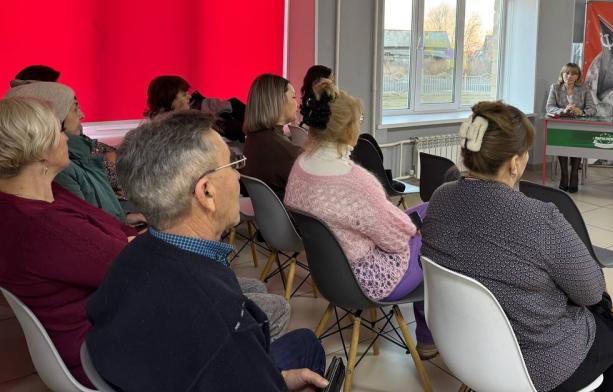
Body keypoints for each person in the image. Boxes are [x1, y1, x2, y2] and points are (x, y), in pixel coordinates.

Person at [86, 111, 326, 392]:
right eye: (233, 164)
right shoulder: (223, 320)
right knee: (308, 346)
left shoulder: (132, 254)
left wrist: (278, 378)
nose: (238, 175)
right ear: (206, 192)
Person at [422, 102, 613, 392]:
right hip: (536, 367)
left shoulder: (440, 198)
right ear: (515, 163)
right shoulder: (537, 218)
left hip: (461, 351)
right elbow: (590, 292)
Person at [284, 79, 436, 358]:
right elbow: (395, 241)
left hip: (329, 273)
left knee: (427, 209)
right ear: (348, 129)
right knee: (436, 230)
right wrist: (412, 227)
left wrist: (400, 220)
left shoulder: (300, 167)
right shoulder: (355, 182)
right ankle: (428, 338)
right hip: (371, 279)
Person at [0, 97, 138, 387]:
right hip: (103, 354)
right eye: (59, 131)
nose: (66, 138)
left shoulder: (40, 197)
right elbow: (135, 267)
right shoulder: (41, 226)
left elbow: (118, 231)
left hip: (107, 332)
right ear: (40, 150)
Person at [4, 82, 137, 224]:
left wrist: (126, 219)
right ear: (54, 120)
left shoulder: (81, 153)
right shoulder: (61, 166)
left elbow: (102, 212)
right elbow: (85, 224)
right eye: (75, 108)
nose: (82, 115)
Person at [240, 74, 302, 202]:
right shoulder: (283, 150)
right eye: (293, 97)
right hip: (291, 212)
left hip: (265, 213)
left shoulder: (254, 139)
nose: (298, 104)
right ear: (278, 101)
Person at [545, 63, 597, 193]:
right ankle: (564, 174)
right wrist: (563, 110)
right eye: (567, 73)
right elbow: (549, 107)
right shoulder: (555, 88)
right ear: (562, 74)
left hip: (579, 127)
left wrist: (581, 112)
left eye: (573, 74)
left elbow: (592, 109)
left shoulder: (583, 89)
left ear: (578, 76)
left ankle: (574, 174)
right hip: (561, 127)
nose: (569, 76)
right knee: (561, 141)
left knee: (577, 142)